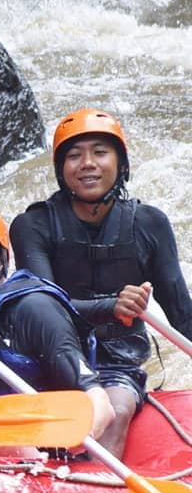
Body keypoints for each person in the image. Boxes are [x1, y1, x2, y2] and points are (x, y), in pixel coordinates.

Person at [10, 108, 192, 458]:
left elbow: (181, 314)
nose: (87, 163)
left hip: (116, 361)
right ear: (61, 171)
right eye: (74, 156)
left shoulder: (150, 224)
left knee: (115, 410)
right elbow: (42, 303)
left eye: (99, 152)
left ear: (120, 164)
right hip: (50, 355)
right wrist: (112, 306)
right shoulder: (33, 225)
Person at [0, 202, 114, 446]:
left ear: (0, 263)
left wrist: (86, 432)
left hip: (38, 452)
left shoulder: (35, 310)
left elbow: (96, 398)